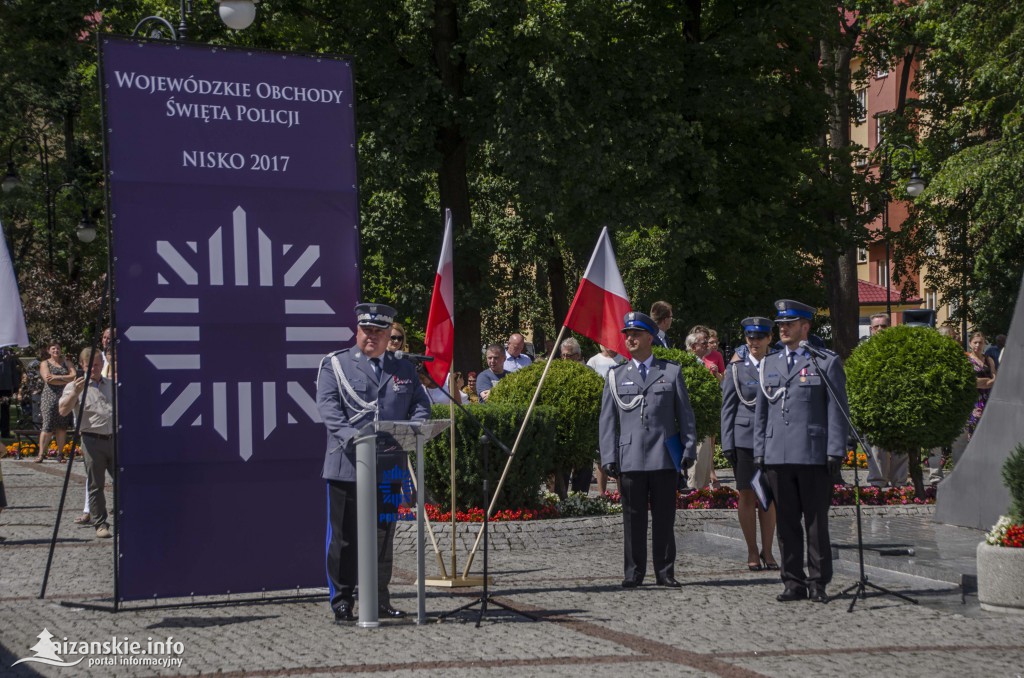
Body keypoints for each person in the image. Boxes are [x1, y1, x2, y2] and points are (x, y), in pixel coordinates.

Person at [316, 303, 430, 623]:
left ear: (388, 335)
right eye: (367, 331)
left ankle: (379, 597)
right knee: (346, 538)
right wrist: (354, 439)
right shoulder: (335, 365)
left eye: (379, 332)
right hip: (348, 465)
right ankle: (342, 600)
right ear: (358, 331)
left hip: (390, 466)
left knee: (384, 535)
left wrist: (413, 429)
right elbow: (329, 409)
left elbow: (420, 405)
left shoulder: (403, 368)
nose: (372, 337)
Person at [754, 299, 848, 603]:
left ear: (805, 327)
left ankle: (819, 581)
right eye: (780, 324)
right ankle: (793, 581)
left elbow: (837, 409)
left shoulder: (825, 361)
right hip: (778, 456)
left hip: (812, 454)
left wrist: (835, 450)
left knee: (816, 522)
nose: (782, 328)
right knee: (787, 522)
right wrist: (760, 451)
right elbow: (762, 412)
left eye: (789, 324)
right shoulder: (770, 362)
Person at [600, 311, 697, 588]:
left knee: (665, 518)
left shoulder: (670, 371)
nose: (630, 338)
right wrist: (608, 456)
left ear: (650, 337)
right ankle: (633, 572)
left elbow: (685, 415)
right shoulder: (616, 375)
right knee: (633, 519)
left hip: (664, 455)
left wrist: (689, 447)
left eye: (636, 334)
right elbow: (607, 420)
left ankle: (665, 571)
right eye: (627, 335)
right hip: (629, 457)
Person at [721, 317, 778, 571]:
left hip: (771, 439)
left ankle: (768, 550)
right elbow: (728, 408)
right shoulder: (736, 369)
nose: (755, 342)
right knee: (746, 493)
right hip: (745, 439)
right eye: (750, 337)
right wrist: (727, 444)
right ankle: (752, 550)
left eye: (760, 337)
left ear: (769, 339)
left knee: (768, 497)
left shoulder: (777, 366)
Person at [58, 348, 114, 539]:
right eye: (91, 365)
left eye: (98, 365)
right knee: (96, 485)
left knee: (124, 483)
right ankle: (100, 523)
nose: (95, 369)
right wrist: (75, 393)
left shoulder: (111, 384)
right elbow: (63, 411)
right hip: (92, 441)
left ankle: (127, 520)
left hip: (115, 439)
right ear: (82, 366)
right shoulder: (75, 386)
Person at [863, 313, 907, 488]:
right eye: (877, 326)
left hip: (898, 406)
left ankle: (900, 486)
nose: (880, 329)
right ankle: (877, 484)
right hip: (874, 407)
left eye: (884, 326)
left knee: (900, 449)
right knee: (876, 449)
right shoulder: (863, 352)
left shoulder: (901, 350)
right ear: (871, 330)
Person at [686, 329, 720, 490]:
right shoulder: (689, 364)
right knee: (698, 458)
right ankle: (695, 492)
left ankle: (703, 492)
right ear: (693, 347)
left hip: (706, 418)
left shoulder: (703, 362)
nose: (707, 345)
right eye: (703, 343)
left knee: (706, 458)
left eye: (708, 342)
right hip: (696, 419)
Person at [36, 342, 76, 463]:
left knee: (62, 427)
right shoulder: (44, 363)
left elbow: (73, 376)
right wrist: (65, 378)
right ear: (49, 351)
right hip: (49, 398)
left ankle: (60, 454)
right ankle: (41, 454)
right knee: (47, 426)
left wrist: (57, 378)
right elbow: (48, 380)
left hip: (65, 397)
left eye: (58, 348)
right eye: (53, 348)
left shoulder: (67, 362)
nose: (56, 350)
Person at [966, 331, 997, 439]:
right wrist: (987, 381)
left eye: (980, 342)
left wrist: (983, 382)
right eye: (975, 342)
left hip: (989, 400)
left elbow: (995, 379)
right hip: (973, 401)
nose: (977, 345)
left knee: (989, 432)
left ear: (984, 344)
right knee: (974, 432)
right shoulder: (966, 360)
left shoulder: (989, 360)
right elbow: (971, 382)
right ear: (970, 343)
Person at [0, 347, 22, 438]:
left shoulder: (9, 353)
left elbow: (15, 371)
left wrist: (16, 388)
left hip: (6, 387)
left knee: (5, 410)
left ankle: (5, 432)